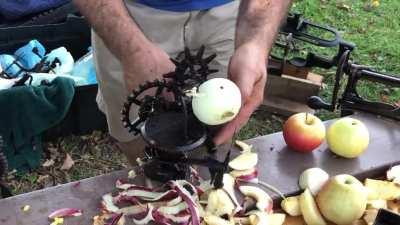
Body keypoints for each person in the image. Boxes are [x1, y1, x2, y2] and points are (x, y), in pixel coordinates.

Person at [73, 0, 292, 164]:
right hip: (125, 14)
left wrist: (256, 41)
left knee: (216, 134)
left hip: (234, 15)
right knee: (138, 139)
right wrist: (132, 50)